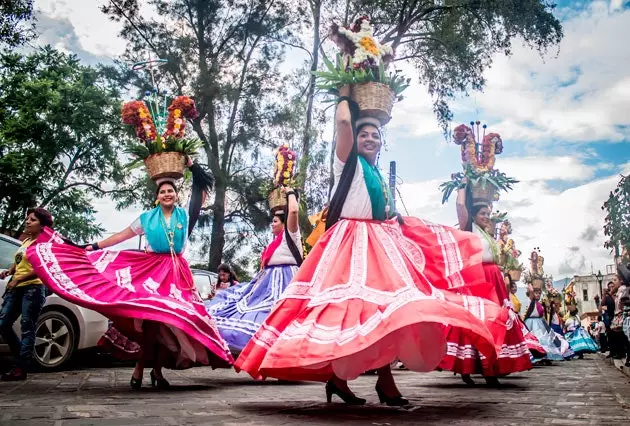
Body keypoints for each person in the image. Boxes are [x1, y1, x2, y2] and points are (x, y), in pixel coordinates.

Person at [233, 85, 509, 406]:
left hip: (379, 244)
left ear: (381, 143)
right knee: (355, 313)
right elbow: (343, 125)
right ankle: (360, 382)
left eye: (375, 136)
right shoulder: (346, 162)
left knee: (386, 312)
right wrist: (345, 92)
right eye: (364, 134)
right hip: (350, 246)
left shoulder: (376, 174)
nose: (369, 139)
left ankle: (370, 382)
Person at [27, 159, 233, 389]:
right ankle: (141, 370)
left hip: (177, 275)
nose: (167, 194)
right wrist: (94, 247)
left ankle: (156, 371)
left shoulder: (185, 215)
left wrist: (192, 165)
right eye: (162, 191)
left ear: (176, 195)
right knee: (153, 322)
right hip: (151, 272)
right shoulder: (146, 218)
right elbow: (120, 236)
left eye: (171, 191)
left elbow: (202, 188)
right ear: (157, 196)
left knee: (170, 322)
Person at [438, 183, 532, 386]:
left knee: (496, 321)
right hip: (478, 280)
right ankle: (481, 371)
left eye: (488, 213)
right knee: (483, 321)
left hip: (493, 280)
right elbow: (461, 207)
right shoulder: (469, 229)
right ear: (472, 216)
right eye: (482, 213)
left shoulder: (486, 234)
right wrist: (462, 187)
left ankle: (491, 368)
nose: (487, 216)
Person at [205, 187, 302, 355]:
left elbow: (293, 211)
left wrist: (291, 194)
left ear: (284, 223)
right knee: (237, 306)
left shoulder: (291, 234)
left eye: (275, 221)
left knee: (274, 315)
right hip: (267, 284)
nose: (272, 223)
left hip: (284, 283)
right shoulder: (275, 242)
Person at [0, 208, 52, 381]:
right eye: (27, 219)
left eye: (33, 220)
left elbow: (41, 269)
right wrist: (9, 271)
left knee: (27, 326)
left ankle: (20, 368)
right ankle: (21, 358)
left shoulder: (43, 245)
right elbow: (20, 260)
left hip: (33, 288)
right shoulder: (27, 240)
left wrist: (19, 279)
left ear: (42, 225)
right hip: (16, 286)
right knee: (3, 324)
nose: (28, 222)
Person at [523, 286, 566, 362]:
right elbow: (531, 292)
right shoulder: (531, 301)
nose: (538, 295)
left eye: (539, 293)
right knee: (536, 339)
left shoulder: (539, 303)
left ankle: (544, 356)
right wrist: (530, 281)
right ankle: (535, 357)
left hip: (540, 323)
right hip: (531, 323)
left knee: (544, 339)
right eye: (536, 293)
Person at [609, 265, 630, 363]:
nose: (613, 282)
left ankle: (623, 353)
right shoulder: (620, 290)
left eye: (615, 280)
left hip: (622, 314)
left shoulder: (622, 289)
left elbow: (620, 304)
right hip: (621, 314)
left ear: (621, 280)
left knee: (623, 336)